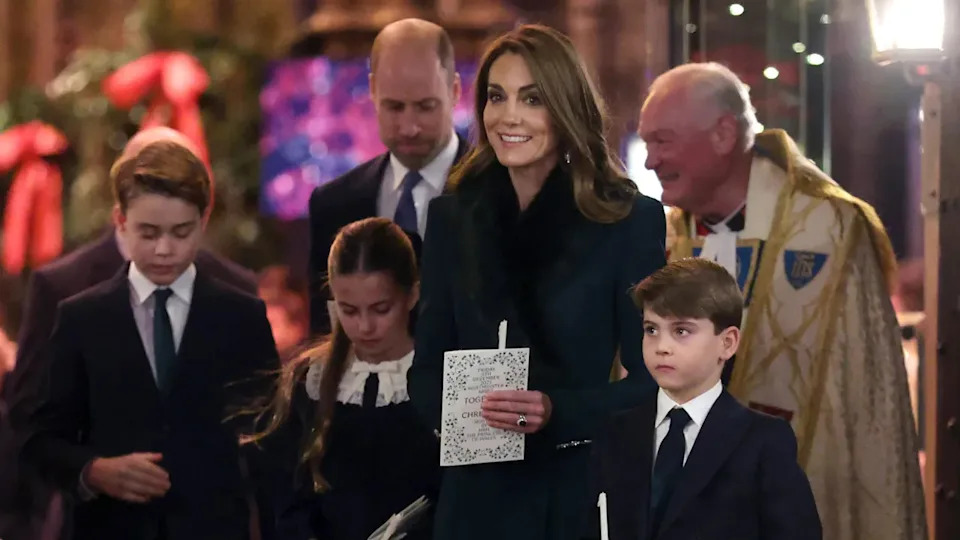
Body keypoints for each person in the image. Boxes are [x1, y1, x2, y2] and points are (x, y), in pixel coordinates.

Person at [638, 62, 925, 540]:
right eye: (647, 143)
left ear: (723, 134)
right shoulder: (662, 239)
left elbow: (870, 404)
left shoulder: (830, 229)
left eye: (662, 141)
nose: (650, 161)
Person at [407, 24, 666, 540]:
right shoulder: (453, 220)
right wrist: (463, 413)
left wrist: (556, 410)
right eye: (496, 97)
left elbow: (652, 384)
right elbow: (424, 373)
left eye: (532, 99)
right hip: (471, 506)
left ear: (566, 109)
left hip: (573, 499)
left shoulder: (628, 222)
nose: (509, 117)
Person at [0, 126, 257, 540]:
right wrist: (93, 471)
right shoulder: (73, 301)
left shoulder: (239, 301)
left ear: (202, 216)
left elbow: (265, 434)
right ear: (121, 217)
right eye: (149, 233)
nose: (163, 250)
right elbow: (33, 423)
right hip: (105, 525)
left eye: (180, 232)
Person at [585, 258, 821, 540]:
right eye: (651, 330)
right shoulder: (617, 432)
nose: (662, 347)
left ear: (727, 343)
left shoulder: (763, 441)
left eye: (681, 331)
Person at [249, 217, 438, 540]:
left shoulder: (438, 379)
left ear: (412, 295)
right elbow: (284, 498)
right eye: (349, 311)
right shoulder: (310, 381)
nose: (365, 327)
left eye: (381, 309)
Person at [307, 18, 470, 335]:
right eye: (394, 107)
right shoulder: (333, 204)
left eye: (425, 107)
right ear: (372, 90)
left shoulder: (498, 191)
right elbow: (323, 337)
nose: (409, 126)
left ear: (455, 91)